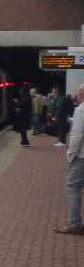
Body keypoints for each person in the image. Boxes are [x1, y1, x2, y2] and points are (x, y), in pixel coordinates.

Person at [55, 84, 84, 235]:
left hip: (81, 156)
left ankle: (74, 224)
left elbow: (77, 135)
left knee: (73, 187)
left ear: (81, 95)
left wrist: (70, 154)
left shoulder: (81, 110)